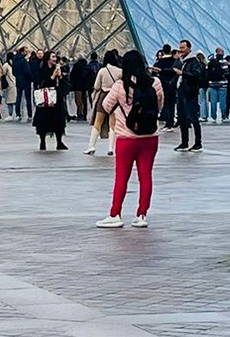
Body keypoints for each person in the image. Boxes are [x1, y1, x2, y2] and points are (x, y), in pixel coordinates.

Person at [95, 49, 163, 228]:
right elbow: (159, 105)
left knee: (122, 178)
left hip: (126, 138)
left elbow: (106, 106)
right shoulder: (155, 83)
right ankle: (142, 215)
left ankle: (115, 214)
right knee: (146, 176)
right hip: (150, 137)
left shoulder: (120, 86)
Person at [86, 50, 122, 155]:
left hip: (103, 96)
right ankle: (111, 148)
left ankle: (91, 146)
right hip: (115, 97)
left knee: (97, 122)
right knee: (112, 124)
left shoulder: (102, 71)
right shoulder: (120, 71)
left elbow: (97, 86)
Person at [32, 51, 67, 150]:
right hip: (46, 99)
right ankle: (42, 141)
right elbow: (41, 83)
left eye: (55, 57)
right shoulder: (42, 70)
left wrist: (60, 77)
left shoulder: (58, 69)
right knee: (43, 121)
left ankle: (59, 142)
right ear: (48, 59)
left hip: (56, 98)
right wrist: (52, 76)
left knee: (58, 121)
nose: (55, 59)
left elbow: (65, 84)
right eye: (53, 57)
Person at [174, 41, 203, 151]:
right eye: (180, 47)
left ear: (189, 48)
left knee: (193, 118)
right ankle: (184, 142)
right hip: (181, 92)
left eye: (183, 47)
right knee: (182, 118)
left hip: (190, 93)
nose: (181, 49)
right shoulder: (181, 61)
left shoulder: (193, 61)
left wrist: (182, 73)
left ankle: (198, 143)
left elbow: (196, 74)